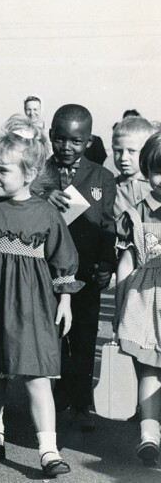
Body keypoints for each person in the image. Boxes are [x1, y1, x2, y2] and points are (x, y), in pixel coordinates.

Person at [0, 130, 80, 477]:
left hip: (30, 303)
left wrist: (65, 299)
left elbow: (63, 257)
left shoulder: (45, 213)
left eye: (3, 170)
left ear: (28, 174)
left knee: (36, 374)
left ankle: (48, 450)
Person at [31, 104, 116, 432]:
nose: (66, 147)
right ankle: (56, 395)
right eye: (60, 139)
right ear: (51, 135)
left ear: (89, 140)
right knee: (50, 334)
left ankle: (81, 403)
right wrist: (43, 192)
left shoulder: (101, 177)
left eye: (76, 141)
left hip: (86, 272)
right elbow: (21, 196)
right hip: (44, 269)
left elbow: (108, 224)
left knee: (83, 335)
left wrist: (106, 263)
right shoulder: (37, 171)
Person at [114, 131, 161, 466]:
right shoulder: (137, 213)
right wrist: (119, 308)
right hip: (146, 301)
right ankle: (149, 433)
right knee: (148, 368)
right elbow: (127, 262)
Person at [112, 117, 155, 218]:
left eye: (132, 151)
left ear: (147, 151)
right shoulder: (109, 188)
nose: (123, 158)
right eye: (118, 151)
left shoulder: (157, 185)